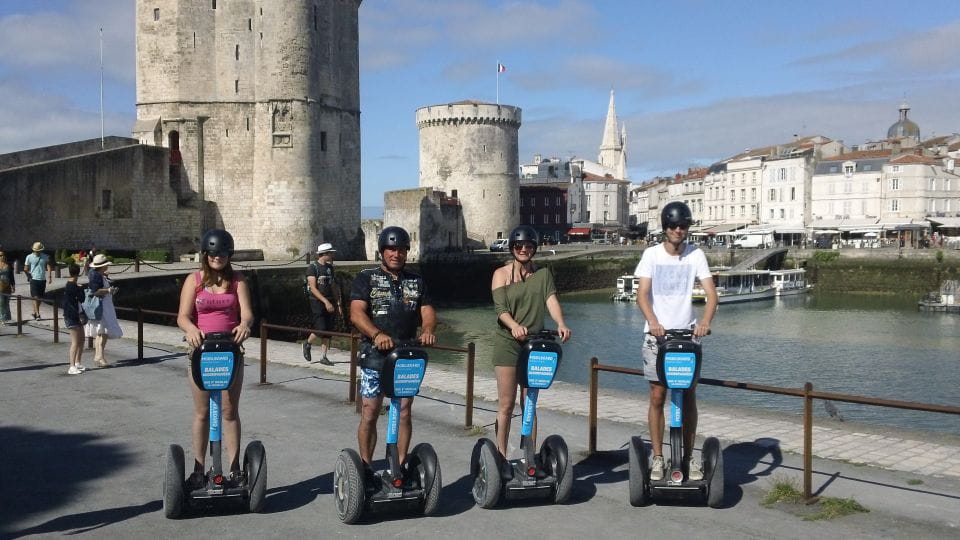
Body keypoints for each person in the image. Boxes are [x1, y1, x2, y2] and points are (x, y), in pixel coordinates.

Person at [635, 201, 718, 482]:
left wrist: (705, 322)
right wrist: (654, 322)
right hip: (657, 337)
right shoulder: (651, 255)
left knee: (689, 396)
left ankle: (690, 456)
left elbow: (712, 295)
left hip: (688, 336)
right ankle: (658, 457)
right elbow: (642, 294)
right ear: (665, 228)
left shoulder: (696, 255)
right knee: (658, 396)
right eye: (673, 226)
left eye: (683, 226)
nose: (678, 230)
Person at [349, 226, 436, 483]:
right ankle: (366, 466)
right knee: (370, 411)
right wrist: (376, 334)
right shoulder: (366, 278)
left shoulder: (417, 280)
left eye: (400, 249)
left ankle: (398, 468)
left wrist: (429, 330)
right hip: (375, 355)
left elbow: (428, 312)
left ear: (406, 252)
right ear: (382, 252)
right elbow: (356, 313)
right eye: (391, 249)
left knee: (405, 410)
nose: (395, 254)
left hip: (407, 355)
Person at [177, 229, 254, 488]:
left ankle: (233, 468)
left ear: (228, 255)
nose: (217, 257)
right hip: (201, 352)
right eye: (212, 253)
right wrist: (190, 329)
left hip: (230, 351)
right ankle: (199, 468)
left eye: (221, 253)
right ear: (205, 254)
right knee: (202, 413)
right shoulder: (194, 280)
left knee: (229, 410)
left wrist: (244, 325)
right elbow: (182, 316)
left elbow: (247, 315)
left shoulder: (238, 281)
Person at [490, 225, 572, 468]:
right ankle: (501, 456)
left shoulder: (543, 275)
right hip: (507, 343)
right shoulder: (501, 274)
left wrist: (561, 323)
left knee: (530, 402)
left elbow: (551, 300)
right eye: (519, 246)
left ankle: (529, 457)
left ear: (535, 248)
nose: (523, 250)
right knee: (506, 404)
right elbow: (500, 310)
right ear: (512, 248)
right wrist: (514, 325)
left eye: (528, 246)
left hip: (534, 344)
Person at [302, 243, 339, 365]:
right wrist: (326, 301)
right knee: (321, 328)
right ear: (325, 254)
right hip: (317, 302)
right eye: (331, 253)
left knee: (328, 330)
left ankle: (324, 356)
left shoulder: (330, 268)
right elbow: (313, 288)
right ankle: (308, 343)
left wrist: (337, 302)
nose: (333, 255)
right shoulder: (313, 268)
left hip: (330, 300)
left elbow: (333, 285)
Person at [85, 254, 124, 367]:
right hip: (103, 306)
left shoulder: (97, 274)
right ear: (102, 266)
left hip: (104, 305)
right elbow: (96, 291)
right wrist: (109, 290)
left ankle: (98, 355)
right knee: (104, 332)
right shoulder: (97, 276)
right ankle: (100, 357)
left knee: (101, 332)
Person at [61, 263, 88, 375]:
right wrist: (81, 290)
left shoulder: (70, 284)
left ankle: (77, 362)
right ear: (79, 273)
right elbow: (81, 299)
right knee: (75, 342)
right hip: (72, 316)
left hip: (75, 315)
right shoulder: (73, 286)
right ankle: (71, 366)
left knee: (82, 339)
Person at [23, 241, 52, 321]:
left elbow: (49, 265)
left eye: (39, 250)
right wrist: (28, 275)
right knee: (35, 296)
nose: (38, 252)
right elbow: (25, 268)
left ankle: (34, 312)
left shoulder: (45, 256)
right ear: (34, 250)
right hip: (34, 279)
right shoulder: (29, 257)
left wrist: (49, 276)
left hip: (42, 279)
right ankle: (38, 314)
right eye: (36, 250)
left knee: (40, 298)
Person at [0, 251, 15, 325]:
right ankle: (2, 319)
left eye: (2, 255)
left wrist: (13, 286)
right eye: (0, 255)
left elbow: (11, 276)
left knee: (6, 303)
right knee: (1, 303)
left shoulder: (8, 265)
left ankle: (6, 318)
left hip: (7, 286)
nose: (1, 257)